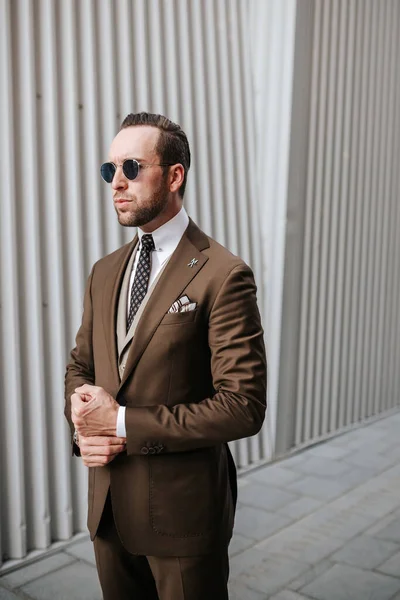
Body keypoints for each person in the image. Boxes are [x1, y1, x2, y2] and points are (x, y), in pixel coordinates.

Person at [64, 112, 267, 600]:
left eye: (131, 167)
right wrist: (82, 424)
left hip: (182, 519)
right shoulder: (105, 271)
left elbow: (243, 406)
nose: (116, 183)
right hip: (109, 508)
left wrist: (122, 422)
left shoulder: (223, 273)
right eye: (108, 169)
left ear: (174, 176)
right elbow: (81, 366)